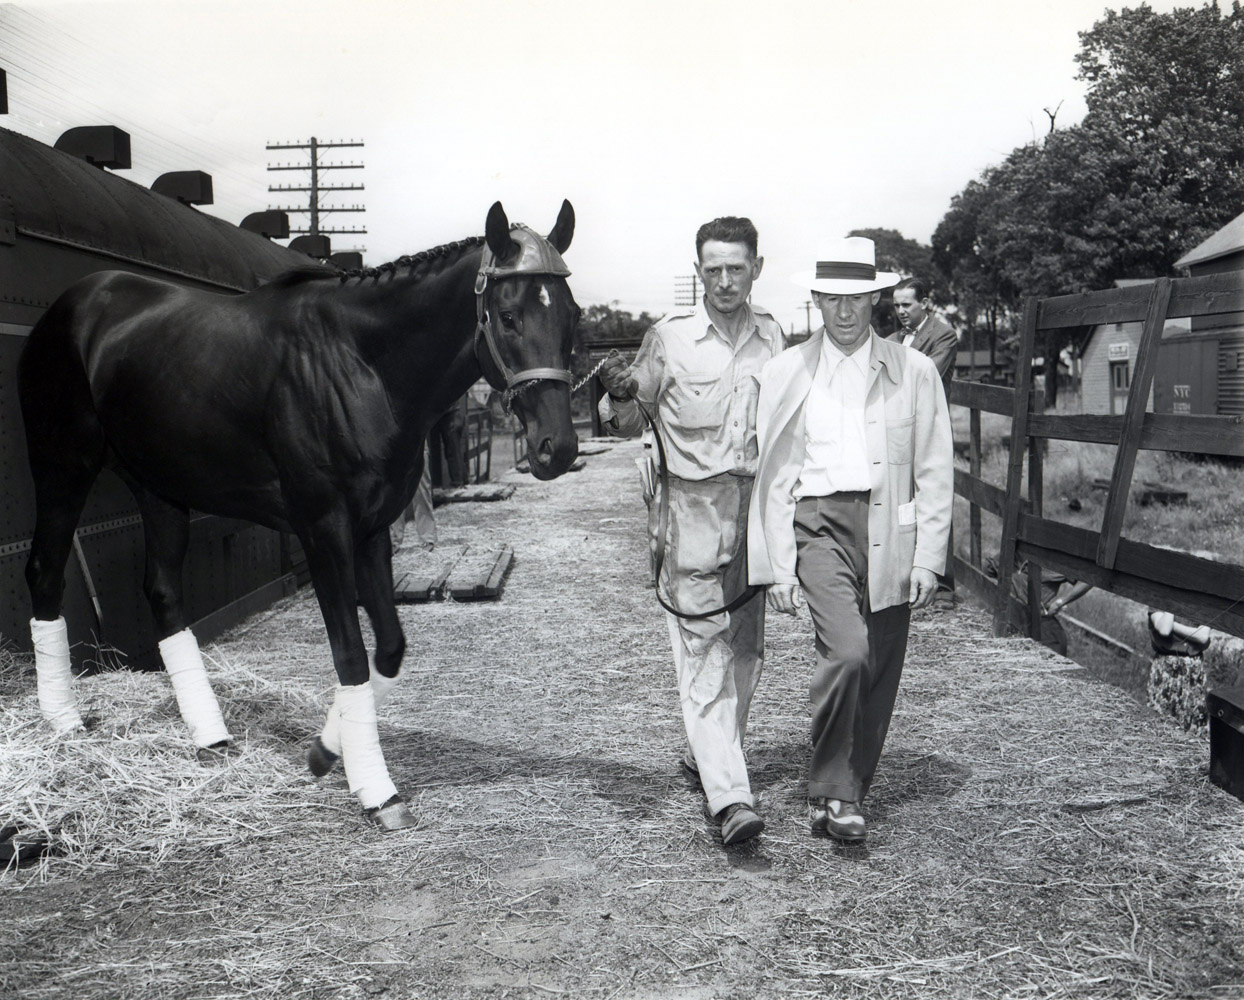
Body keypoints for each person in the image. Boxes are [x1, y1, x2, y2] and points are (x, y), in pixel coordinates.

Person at [748, 236, 953, 842]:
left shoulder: (912, 371)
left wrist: (930, 558)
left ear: (876, 299)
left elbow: (936, 467)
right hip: (817, 526)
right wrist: (779, 568)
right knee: (848, 651)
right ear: (815, 300)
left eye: (857, 298)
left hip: (891, 526)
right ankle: (834, 791)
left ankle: (844, 793)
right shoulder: (784, 372)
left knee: (882, 663)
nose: (844, 312)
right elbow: (772, 478)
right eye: (832, 299)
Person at [596, 216, 784, 847]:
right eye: (712, 269)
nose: (724, 281)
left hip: (754, 516)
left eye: (736, 268)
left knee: (748, 654)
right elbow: (624, 416)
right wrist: (617, 396)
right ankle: (730, 798)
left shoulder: (774, 338)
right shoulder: (668, 340)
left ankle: (706, 753)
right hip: (691, 518)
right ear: (697, 270)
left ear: (757, 267)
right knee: (705, 651)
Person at [889, 276, 959, 606]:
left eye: (907, 304)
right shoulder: (893, 339)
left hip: (926, 427)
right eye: (897, 306)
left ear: (925, 303)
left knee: (931, 498)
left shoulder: (942, 335)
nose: (901, 311)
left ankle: (942, 587)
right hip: (894, 430)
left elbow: (927, 376)